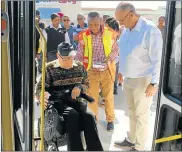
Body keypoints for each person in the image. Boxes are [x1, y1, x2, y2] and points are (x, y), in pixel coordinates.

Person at [35, 42, 103, 151]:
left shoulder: (79, 66)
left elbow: (87, 85)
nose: (68, 62)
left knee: (89, 117)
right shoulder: (50, 68)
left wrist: (80, 87)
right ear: (58, 56)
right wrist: (41, 95)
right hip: (58, 102)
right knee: (72, 115)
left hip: (76, 101)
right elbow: (39, 88)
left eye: (70, 58)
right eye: (65, 59)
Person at [115, 2, 163, 151]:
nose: (120, 24)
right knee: (131, 112)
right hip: (128, 79)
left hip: (144, 80)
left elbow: (157, 59)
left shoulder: (150, 30)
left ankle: (140, 147)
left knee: (141, 115)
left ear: (131, 14)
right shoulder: (126, 30)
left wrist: (154, 83)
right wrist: (121, 71)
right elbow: (124, 52)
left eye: (121, 20)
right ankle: (132, 139)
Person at [75, 12, 119, 131]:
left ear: (100, 21)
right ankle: (93, 119)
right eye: (90, 24)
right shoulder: (84, 35)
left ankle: (110, 120)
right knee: (92, 97)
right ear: (87, 23)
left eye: (95, 24)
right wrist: (76, 66)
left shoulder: (110, 33)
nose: (93, 27)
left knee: (108, 97)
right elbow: (80, 53)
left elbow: (115, 50)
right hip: (91, 72)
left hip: (106, 71)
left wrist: (109, 58)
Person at [105, 17, 120, 95]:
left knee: (113, 77)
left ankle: (114, 89)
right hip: (106, 62)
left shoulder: (114, 37)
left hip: (113, 61)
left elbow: (115, 50)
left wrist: (109, 58)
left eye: (108, 27)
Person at [35, 10, 46, 79]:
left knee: (41, 60)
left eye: (38, 15)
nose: (37, 17)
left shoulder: (41, 24)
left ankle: (40, 71)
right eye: (36, 15)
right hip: (36, 45)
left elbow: (42, 35)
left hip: (41, 45)